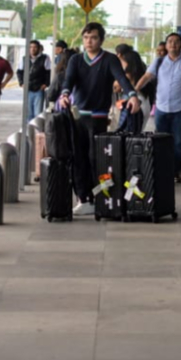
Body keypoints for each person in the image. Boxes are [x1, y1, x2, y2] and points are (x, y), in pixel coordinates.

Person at [57, 22, 140, 216]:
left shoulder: (109, 59)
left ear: (101, 40)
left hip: (99, 117)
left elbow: (122, 78)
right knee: (78, 158)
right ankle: (83, 199)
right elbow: (69, 80)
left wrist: (132, 95)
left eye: (93, 37)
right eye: (86, 38)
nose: (89, 41)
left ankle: (101, 197)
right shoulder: (76, 60)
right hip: (78, 117)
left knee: (98, 159)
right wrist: (65, 94)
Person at [137, 32, 181, 182]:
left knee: (177, 142)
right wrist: (133, 92)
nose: (173, 44)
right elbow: (147, 77)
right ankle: (160, 170)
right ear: (166, 45)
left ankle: (174, 172)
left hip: (179, 109)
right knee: (160, 141)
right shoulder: (159, 62)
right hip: (161, 108)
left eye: (177, 42)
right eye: (170, 41)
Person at [22, 40, 50, 120]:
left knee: (37, 113)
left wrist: (46, 84)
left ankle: (36, 131)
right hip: (28, 88)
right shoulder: (24, 59)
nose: (33, 49)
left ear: (38, 48)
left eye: (35, 47)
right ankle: (29, 130)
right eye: (30, 47)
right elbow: (19, 71)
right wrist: (21, 83)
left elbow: (49, 72)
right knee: (28, 113)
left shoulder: (45, 58)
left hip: (39, 89)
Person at [46, 40, 72, 106]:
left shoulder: (60, 57)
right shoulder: (69, 55)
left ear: (60, 49)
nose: (53, 49)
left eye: (54, 47)